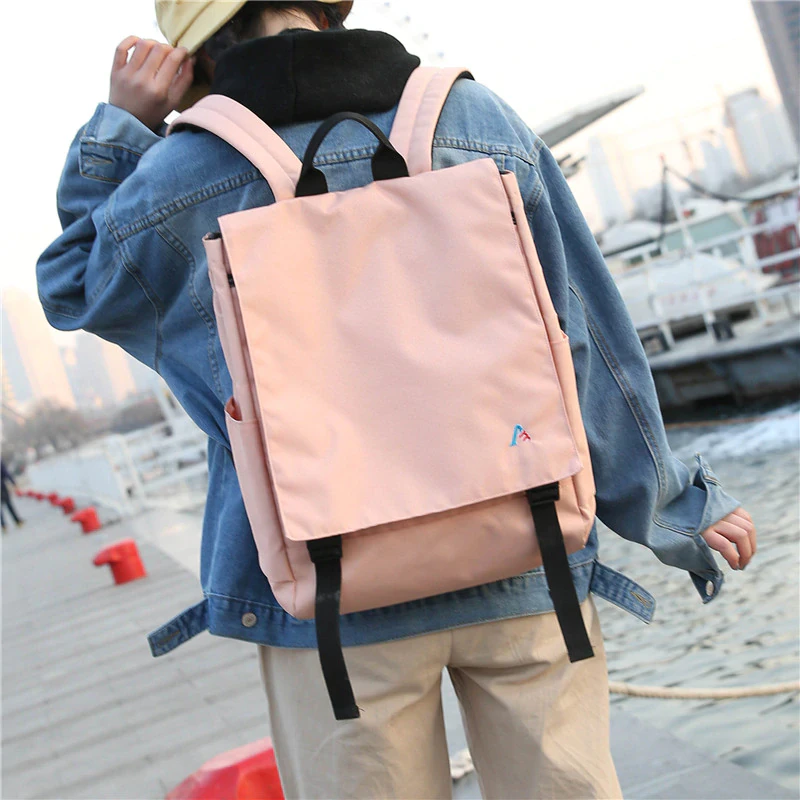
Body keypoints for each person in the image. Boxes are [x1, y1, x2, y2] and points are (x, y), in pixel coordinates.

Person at [37, 3, 757, 797]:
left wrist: (124, 128)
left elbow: (72, 285)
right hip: (526, 547)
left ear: (192, 54)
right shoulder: (471, 118)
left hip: (329, 595)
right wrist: (672, 505)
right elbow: (583, 336)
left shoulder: (179, 175)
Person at [1, 459, 24, 531]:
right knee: (9, 504)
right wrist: (13, 483)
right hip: (1, 487)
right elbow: (6, 473)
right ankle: (17, 521)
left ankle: (3, 526)